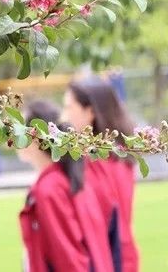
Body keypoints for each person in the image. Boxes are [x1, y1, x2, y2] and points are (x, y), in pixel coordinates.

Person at [18, 99, 112, 272]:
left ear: (38, 139)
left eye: (20, 131)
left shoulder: (50, 189)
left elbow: (67, 257)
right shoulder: (66, 179)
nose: (14, 136)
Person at [62, 79, 139, 272]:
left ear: (90, 113)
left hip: (106, 257)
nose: (65, 116)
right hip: (119, 255)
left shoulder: (96, 161)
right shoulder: (118, 156)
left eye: (70, 107)